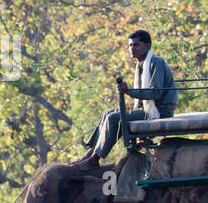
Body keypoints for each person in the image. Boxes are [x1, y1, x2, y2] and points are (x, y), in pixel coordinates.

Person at [72, 30, 177, 168]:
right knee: (109, 113)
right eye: (130, 45)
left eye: (136, 45)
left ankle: (95, 159)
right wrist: (129, 102)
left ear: (148, 46)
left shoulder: (155, 62)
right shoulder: (141, 65)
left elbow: (156, 93)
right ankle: (90, 153)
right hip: (148, 109)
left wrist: (129, 92)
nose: (132, 48)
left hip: (160, 111)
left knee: (114, 118)